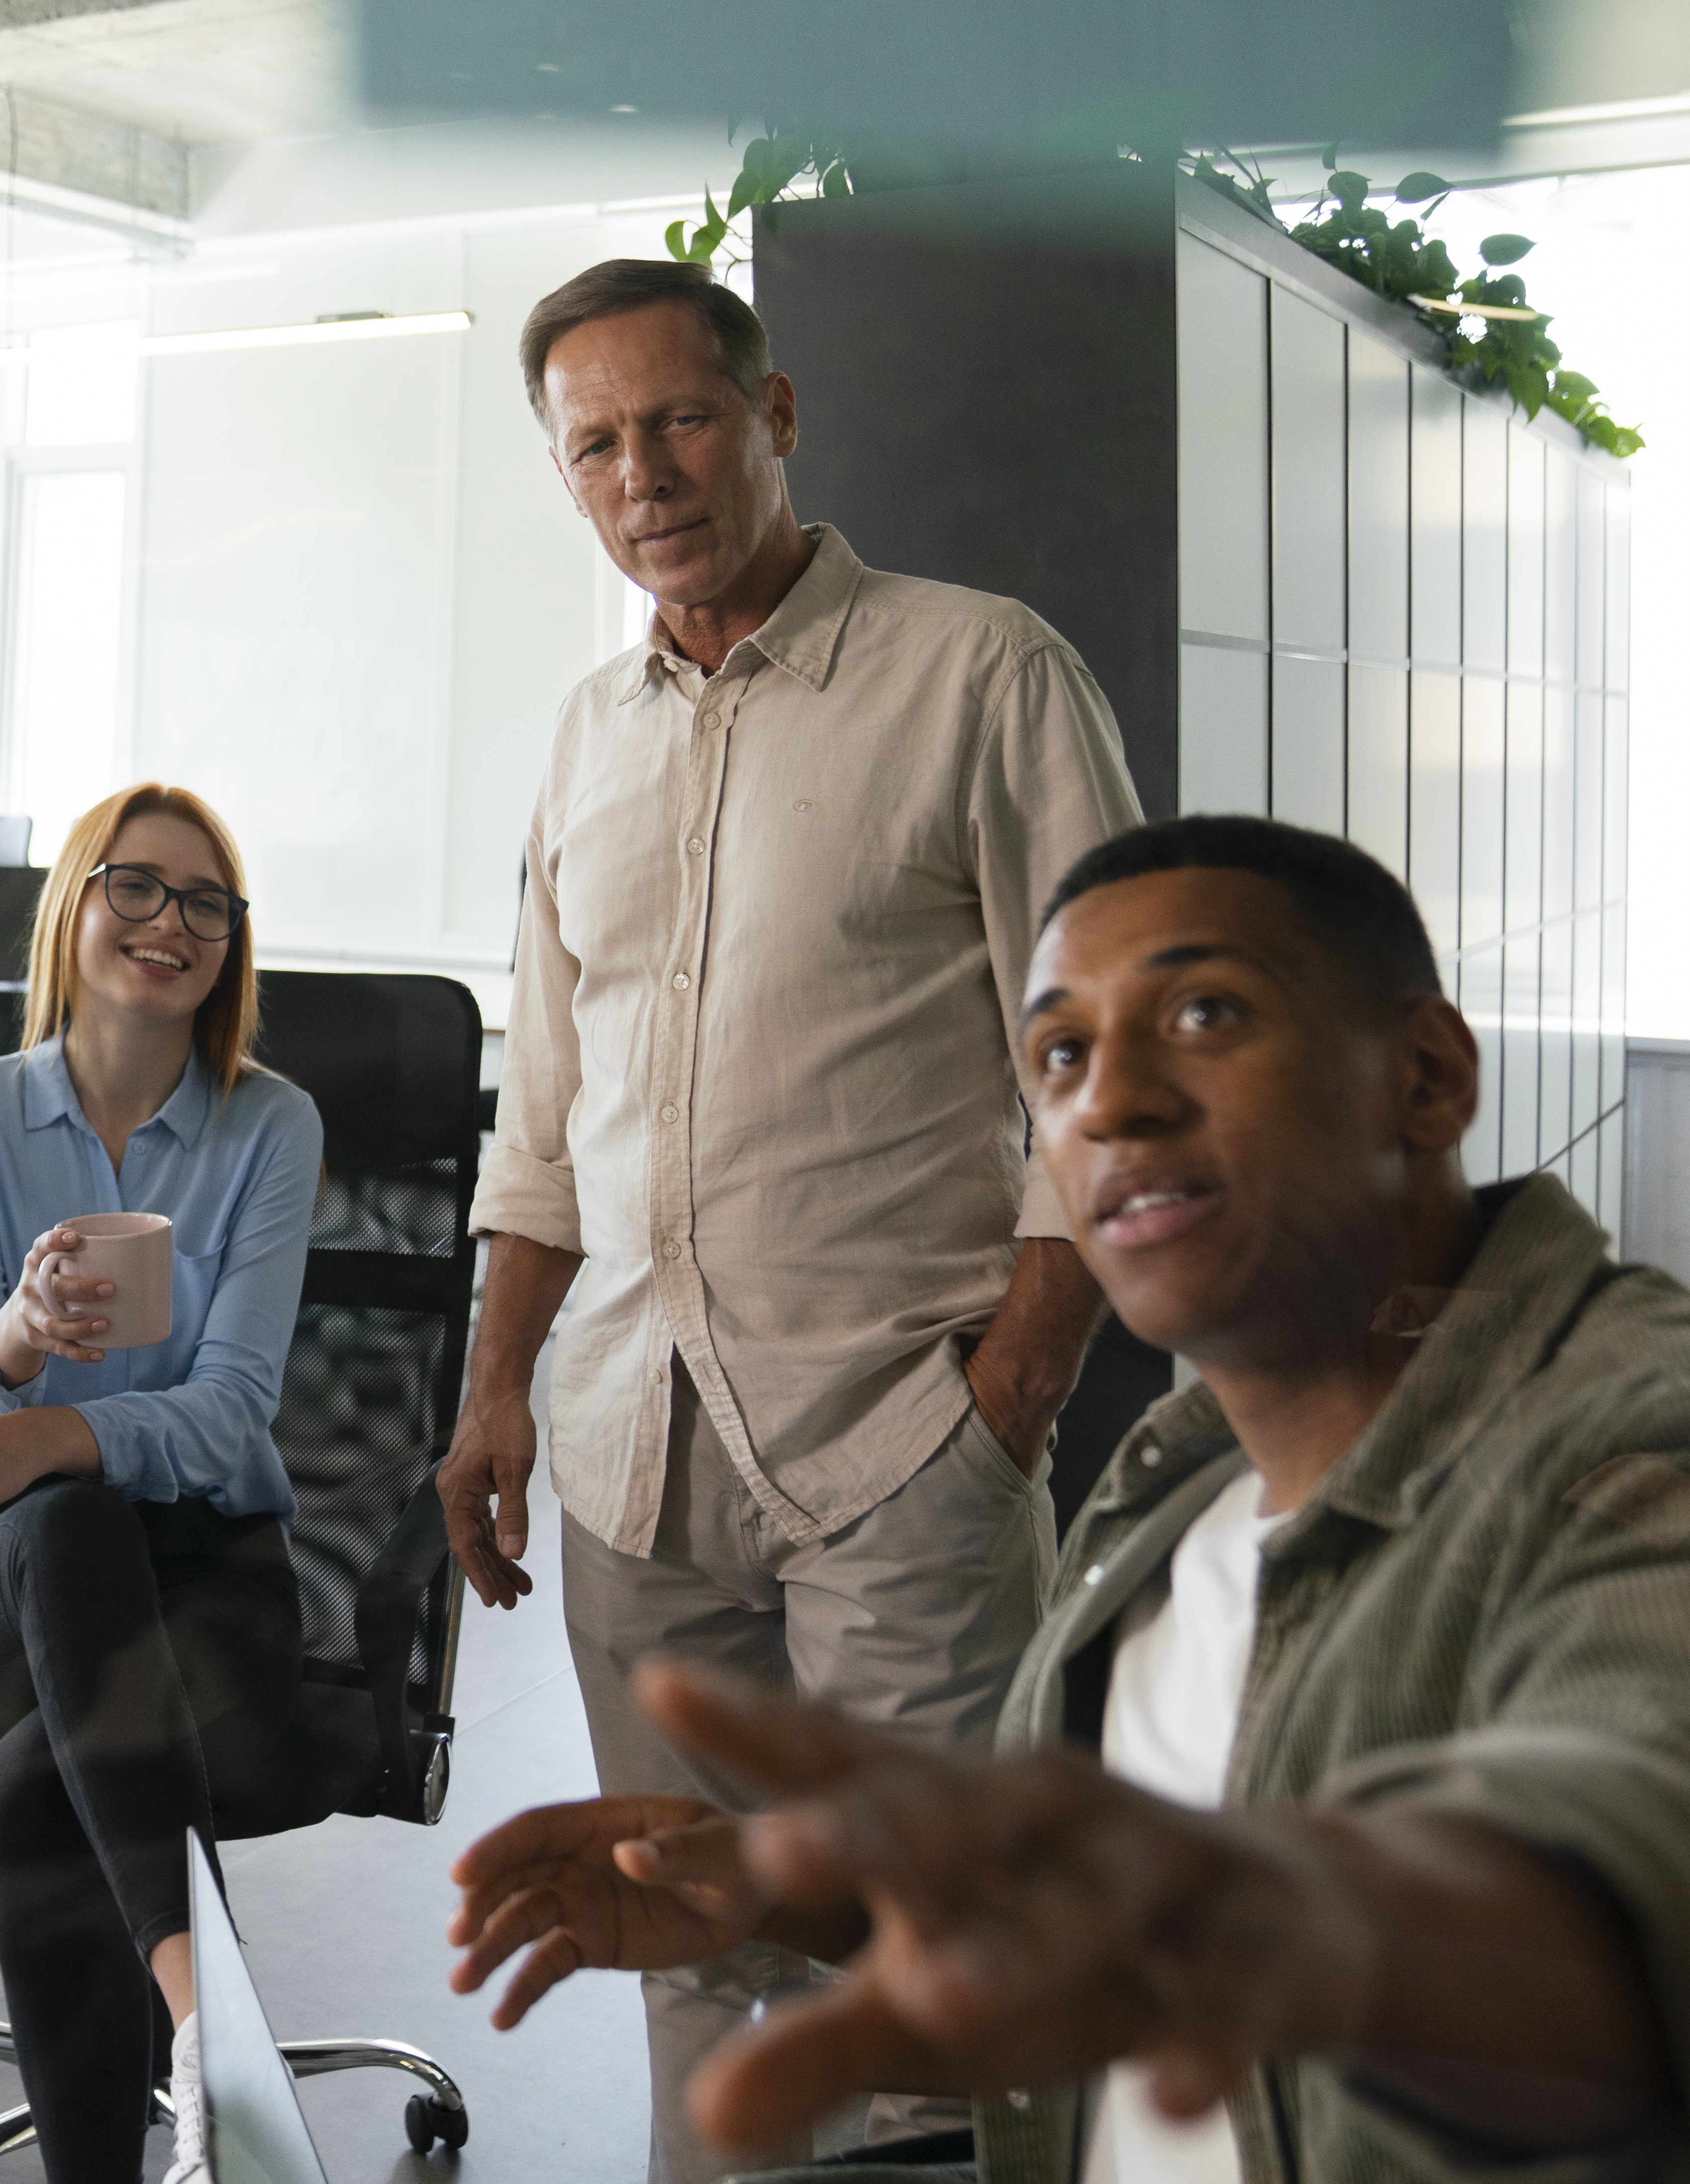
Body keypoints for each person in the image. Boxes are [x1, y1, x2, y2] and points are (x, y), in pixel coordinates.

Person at [447, 816, 1690, 2184]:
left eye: (1204, 1013)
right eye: (1058, 1055)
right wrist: (783, 1886)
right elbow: (1093, 1948)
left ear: (1428, 1077)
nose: (1110, 1101)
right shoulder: (1178, 1480)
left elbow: (1634, 1876)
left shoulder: (1631, 1446)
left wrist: (1254, 1914)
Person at [438, 254, 1146, 2176]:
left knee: (919, 1994)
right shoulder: (590, 734)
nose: (644, 474)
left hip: (898, 1448)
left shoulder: (979, 672)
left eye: (678, 419)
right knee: (689, 1957)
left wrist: (1005, 1398)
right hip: (631, 1461)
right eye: (596, 447)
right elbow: (546, 1111)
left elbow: (1116, 1068)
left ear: (774, 415)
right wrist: (499, 1388)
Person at [0, 780, 326, 2184]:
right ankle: (211, 2018)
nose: (168, 922)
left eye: (203, 901)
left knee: (29, 1792)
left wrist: (58, 1434)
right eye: (134, 886)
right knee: (64, 1521)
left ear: (228, 943)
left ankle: (176, 2103)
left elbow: (236, 1416)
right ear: (74, 905)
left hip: (205, 1575)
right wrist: (16, 1345)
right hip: (5, 1586)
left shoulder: (270, 1129)